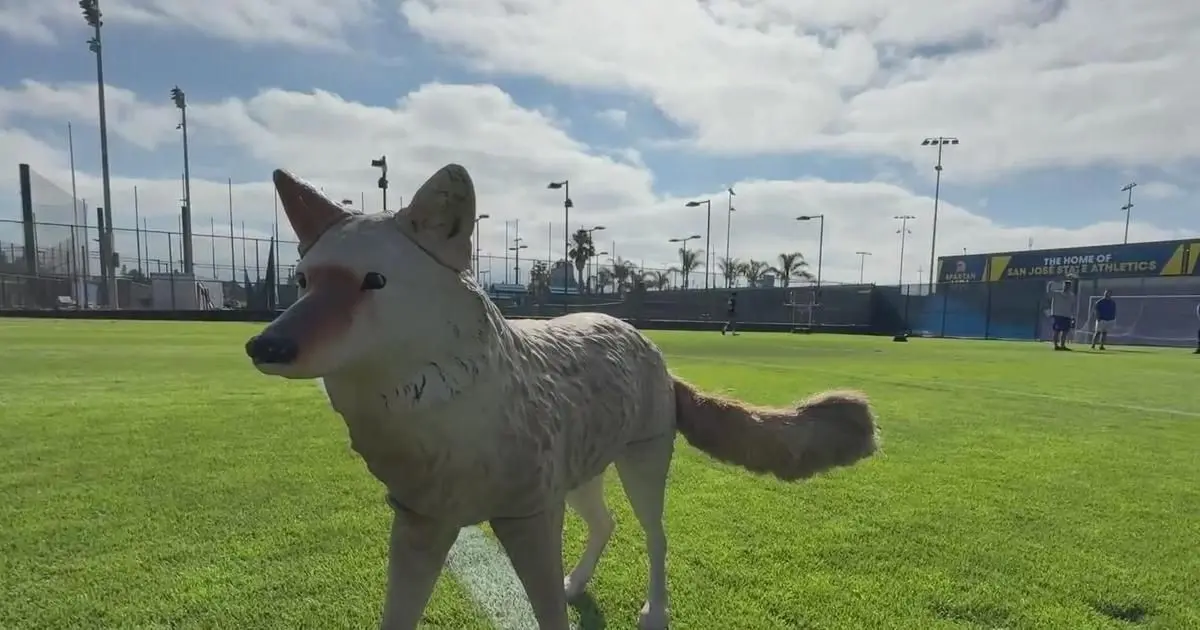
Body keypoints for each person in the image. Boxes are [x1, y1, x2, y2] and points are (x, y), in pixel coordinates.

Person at [1048, 278, 1076, 351]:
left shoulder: (1072, 296)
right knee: (1057, 331)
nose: (1067, 287)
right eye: (1066, 285)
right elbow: (1048, 292)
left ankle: (1063, 345)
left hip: (1067, 315)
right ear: (1063, 286)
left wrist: (1072, 316)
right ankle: (1056, 345)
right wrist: (1050, 283)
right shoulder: (1057, 293)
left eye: (1068, 286)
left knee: (1065, 332)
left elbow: (1072, 306)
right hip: (1058, 315)